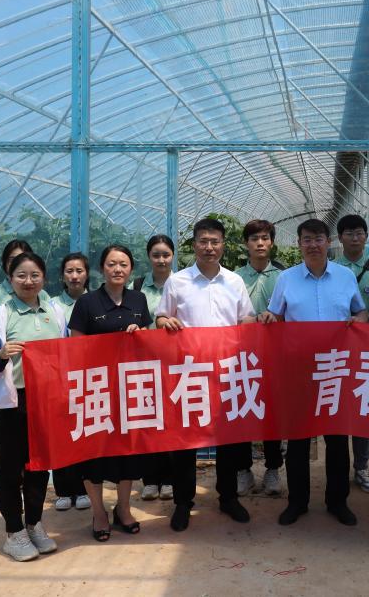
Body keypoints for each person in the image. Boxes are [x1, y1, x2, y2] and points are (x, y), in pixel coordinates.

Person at [259, 218, 368, 526]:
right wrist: (268, 317)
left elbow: (360, 311)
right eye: (307, 239)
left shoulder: (345, 277)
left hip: (336, 368)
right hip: (299, 370)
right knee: (298, 440)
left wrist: (359, 321)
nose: (313, 245)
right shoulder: (287, 279)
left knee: (337, 439)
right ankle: (298, 502)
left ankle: (338, 501)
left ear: (328, 242)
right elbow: (276, 315)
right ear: (299, 244)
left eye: (318, 239)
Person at [155, 218, 256, 532]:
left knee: (228, 439)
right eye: (203, 241)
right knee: (185, 440)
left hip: (226, 372)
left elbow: (247, 319)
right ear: (194, 244)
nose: (209, 247)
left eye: (215, 241)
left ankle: (228, 497)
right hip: (190, 373)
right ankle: (183, 502)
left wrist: (249, 328)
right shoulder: (178, 282)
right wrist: (165, 323)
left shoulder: (234, 282)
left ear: (223, 244)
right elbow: (161, 317)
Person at [0, 252, 67, 561]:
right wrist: (0, 354)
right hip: (13, 401)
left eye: (35, 275)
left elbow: (66, 350)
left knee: (39, 465)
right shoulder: (0, 315)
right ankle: (14, 532)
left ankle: (34, 524)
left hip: (46, 400)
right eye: (21, 276)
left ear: (44, 278)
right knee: (10, 468)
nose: (29, 281)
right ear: (10, 278)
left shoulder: (56, 311)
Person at [68, 244, 152, 542]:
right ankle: (99, 512)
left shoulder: (139, 299)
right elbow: (75, 348)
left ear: (131, 269)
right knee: (94, 453)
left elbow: (149, 342)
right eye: (112, 264)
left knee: (127, 452)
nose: (118, 269)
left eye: (124, 264)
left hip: (129, 388)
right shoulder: (87, 303)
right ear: (102, 268)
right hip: (96, 390)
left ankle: (124, 508)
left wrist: (140, 335)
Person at [0, 239, 40, 506]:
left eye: (33, 272)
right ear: (7, 268)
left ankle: (32, 509)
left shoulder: (47, 303)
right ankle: (4, 495)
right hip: (4, 381)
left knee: (34, 449)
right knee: (2, 444)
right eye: (15, 262)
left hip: (38, 390)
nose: (27, 279)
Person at [334, 214, 369, 494]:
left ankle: (361, 466)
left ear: (367, 237)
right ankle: (339, 468)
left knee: (364, 407)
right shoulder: (330, 270)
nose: (355, 238)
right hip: (337, 351)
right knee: (339, 407)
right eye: (349, 233)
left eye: (359, 233)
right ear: (339, 238)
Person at [234, 219, 285, 497]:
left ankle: (273, 468)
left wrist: (276, 318)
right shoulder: (234, 277)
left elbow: (292, 315)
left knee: (271, 413)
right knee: (242, 410)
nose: (260, 243)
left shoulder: (284, 277)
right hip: (241, 355)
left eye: (265, 238)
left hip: (273, 355)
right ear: (246, 244)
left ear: (272, 242)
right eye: (254, 239)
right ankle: (243, 470)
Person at [49, 253, 92, 512]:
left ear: (87, 274)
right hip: (59, 378)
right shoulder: (51, 305)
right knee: (61, 433)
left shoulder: (95, 302)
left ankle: (84, 488)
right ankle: (64, 489)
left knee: (85, 432)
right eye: (69, 271)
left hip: (88, 378)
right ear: (62, 275)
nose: (74, 276)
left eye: (79, 271)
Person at [138, 235, 176, 503]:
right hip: (145, 363)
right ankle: (150, 479)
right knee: (148, 421)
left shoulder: (183, 282)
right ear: (149, 257)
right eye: (156, 255)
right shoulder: (138, 286)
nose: (161, 260)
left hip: (175, 362)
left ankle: (171, 478)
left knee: (172, 421)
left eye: (166, 254)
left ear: (172, 256)